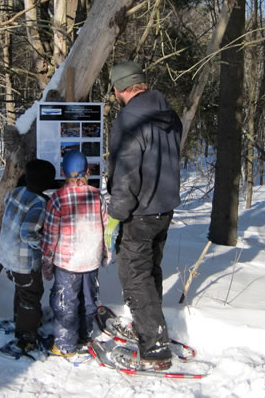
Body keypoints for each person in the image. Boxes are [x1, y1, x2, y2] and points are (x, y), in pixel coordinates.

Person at [104, 60, 182, 370]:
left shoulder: (129, 120)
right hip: (163, 207)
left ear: (119, 88)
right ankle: (151, 328)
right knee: (149, 272)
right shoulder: (169, 114)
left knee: (134, 276)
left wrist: (115, 215)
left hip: (140, 211)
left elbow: (125, 174)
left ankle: (155, 349)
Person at [41, 150, 110, 357]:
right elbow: (107, 228)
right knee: (89, 299)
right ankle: (84, 335)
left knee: (65, 302)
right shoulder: (97, 196)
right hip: (91, 259)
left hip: (67, 262)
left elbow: (50, 235)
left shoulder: (57, 199)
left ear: (63, 173)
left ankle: (65, 345)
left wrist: (47, 262)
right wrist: (106, 253)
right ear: (88, 170)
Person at [0, 159, 56, 356]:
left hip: (7, 255)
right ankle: (26, 337)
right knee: (31, 296)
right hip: (24, 261)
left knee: (22, 291)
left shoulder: (16, 192)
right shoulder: (39, 204)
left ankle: (20, 321)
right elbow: (27, 233)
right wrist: (46, 246)